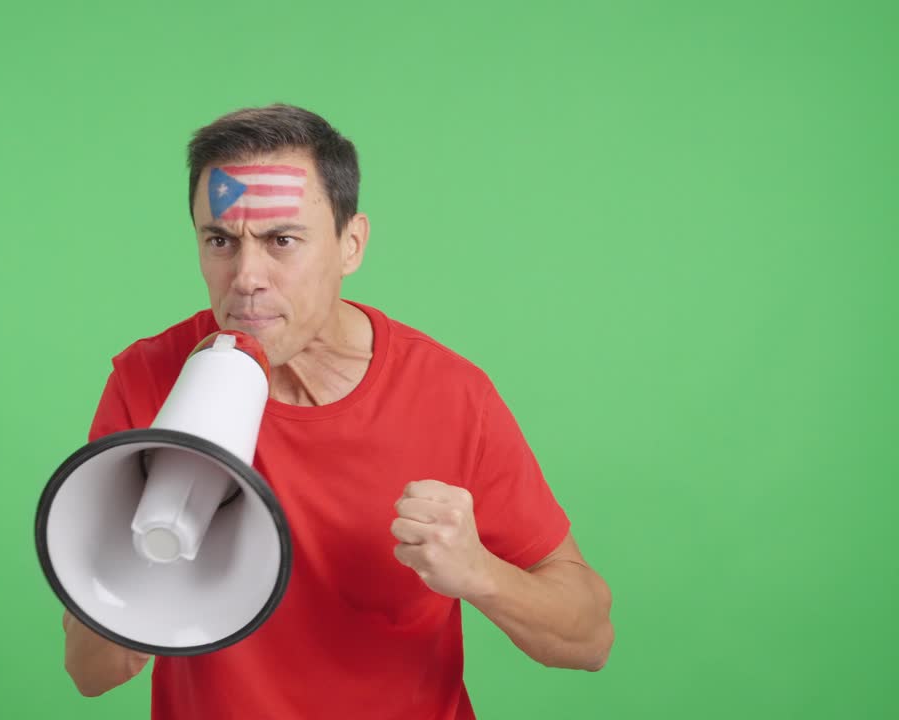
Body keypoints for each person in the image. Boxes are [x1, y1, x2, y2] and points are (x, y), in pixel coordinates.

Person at [62, 104, 614, 719]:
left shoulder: (450, 394)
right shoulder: (148, 381)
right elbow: (90, 673)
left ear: (351, 245)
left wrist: (480, 573)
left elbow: (590, 639)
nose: (246, 277)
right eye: (220, 240)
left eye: (283, 241)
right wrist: (143, 561)